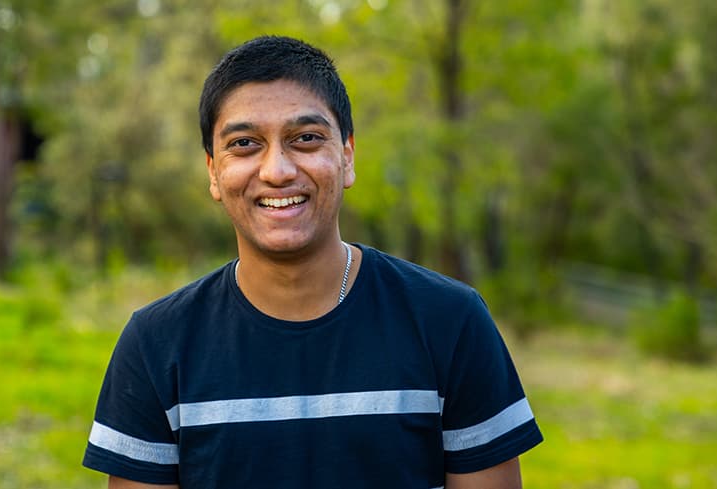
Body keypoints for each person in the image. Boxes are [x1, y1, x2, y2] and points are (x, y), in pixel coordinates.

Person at [83, 35, 542, 489]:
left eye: (305, 138)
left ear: (346, 156)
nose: (277, 170)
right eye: (244, 144)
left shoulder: (451, 322)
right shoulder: (155, 344)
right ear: (214, 172)